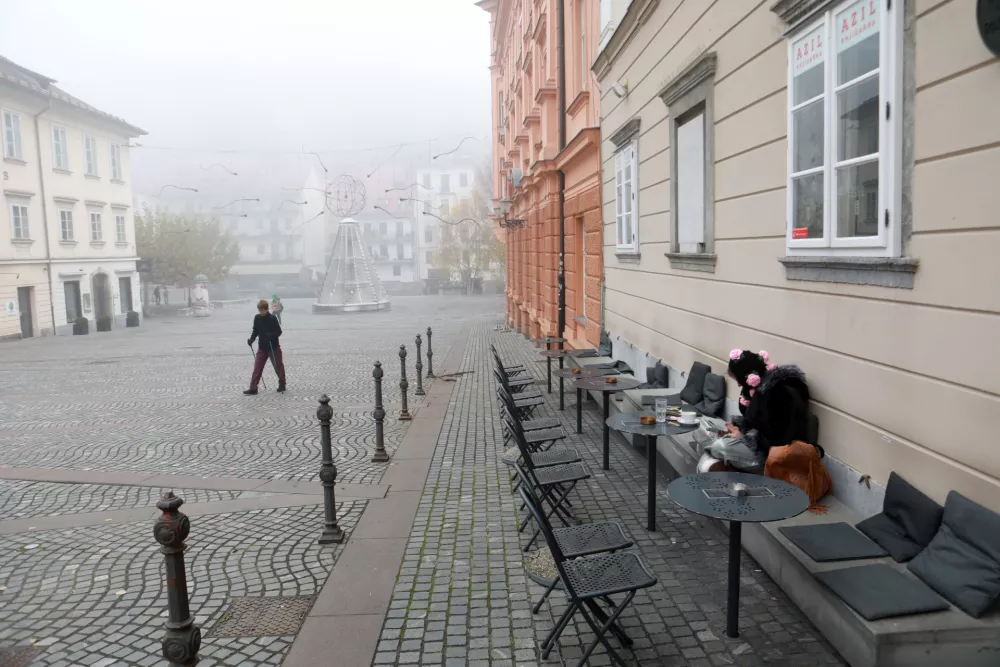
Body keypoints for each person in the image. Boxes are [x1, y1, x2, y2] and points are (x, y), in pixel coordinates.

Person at [691, 349, 810, 473]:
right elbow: (755, 421)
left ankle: (714, 463)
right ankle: (720, 461)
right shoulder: (759, 388)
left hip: (767, 456)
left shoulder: (779, 393)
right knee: (700, 425)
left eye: (738, 380)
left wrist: (742, 437)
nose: (738, 385)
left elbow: (777, 438)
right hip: (751, 441)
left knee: (719, 446)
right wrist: (739, 428)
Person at [244, 299, 286, 394]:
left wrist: (271, 335)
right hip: (262, 348)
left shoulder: (272, 318)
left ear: (267, 309)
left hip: (273, 347)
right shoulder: (257, 318)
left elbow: (279, 332)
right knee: (257, 368)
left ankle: (282, 384)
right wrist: (251, 339)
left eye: (263, 310)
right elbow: (255, 331)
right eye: (260, 310)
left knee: (278, 366)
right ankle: (253, 388)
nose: (261, 312)